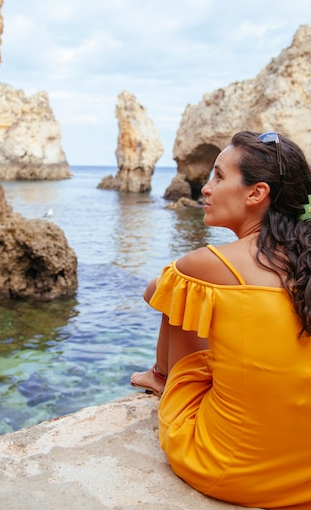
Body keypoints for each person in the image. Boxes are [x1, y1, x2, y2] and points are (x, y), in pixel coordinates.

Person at [131, 131, 311, 509]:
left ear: (255, 193)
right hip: (304, 472)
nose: (205, 190)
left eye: (218, 177)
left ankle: (161, 377)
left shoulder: (208, 264)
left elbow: (154, 292)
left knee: (179, 295)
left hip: (235, 470)